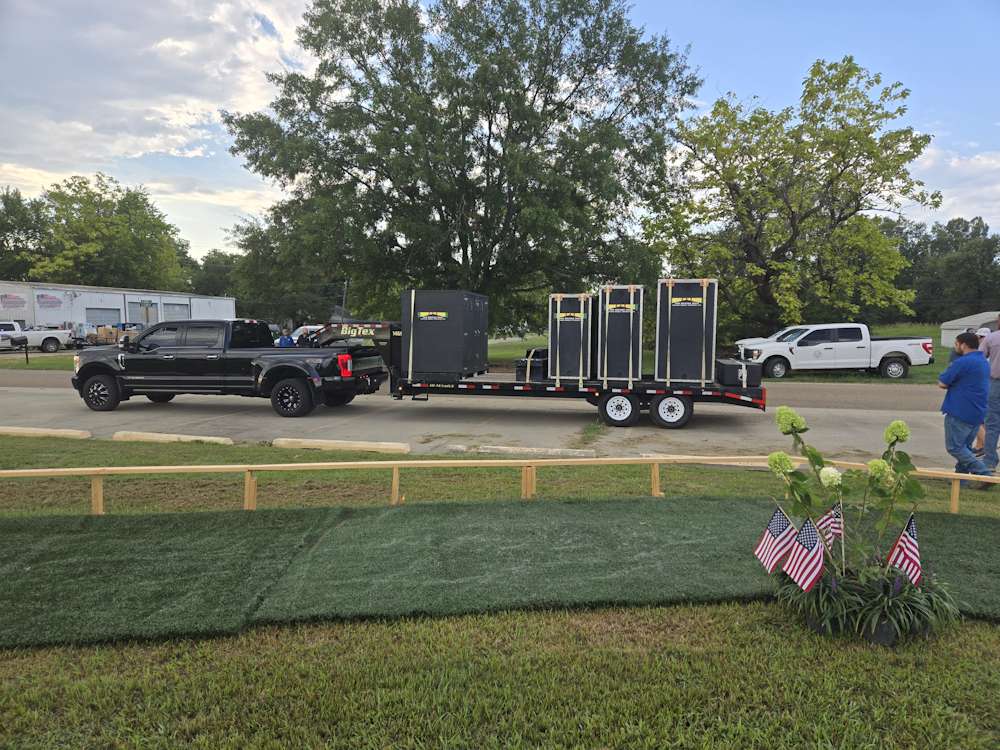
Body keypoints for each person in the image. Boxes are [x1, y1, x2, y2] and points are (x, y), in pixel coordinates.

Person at [938, 330, 992, 487]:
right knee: (966, 447)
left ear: (963, 345)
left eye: (956, 343)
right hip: (977, 410)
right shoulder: (983, 361)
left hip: (960, 409)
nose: (955, 346)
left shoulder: (962, 362)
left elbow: (943, 383)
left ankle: (984, 473)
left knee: (954, 447)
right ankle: (961, 480)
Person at [979, 319, 1000, 470]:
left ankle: (990, 460)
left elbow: (979, 359)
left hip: (995, 383)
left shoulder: (991, 338)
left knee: (992, 423)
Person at [973, 327, 992, 455]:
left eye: (980, 337)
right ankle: (980, 446)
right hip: (985, 388)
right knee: (982, 419)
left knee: (977, 418)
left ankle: (987, 446)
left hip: (984, 390)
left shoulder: (985, 356)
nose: (978, 339)